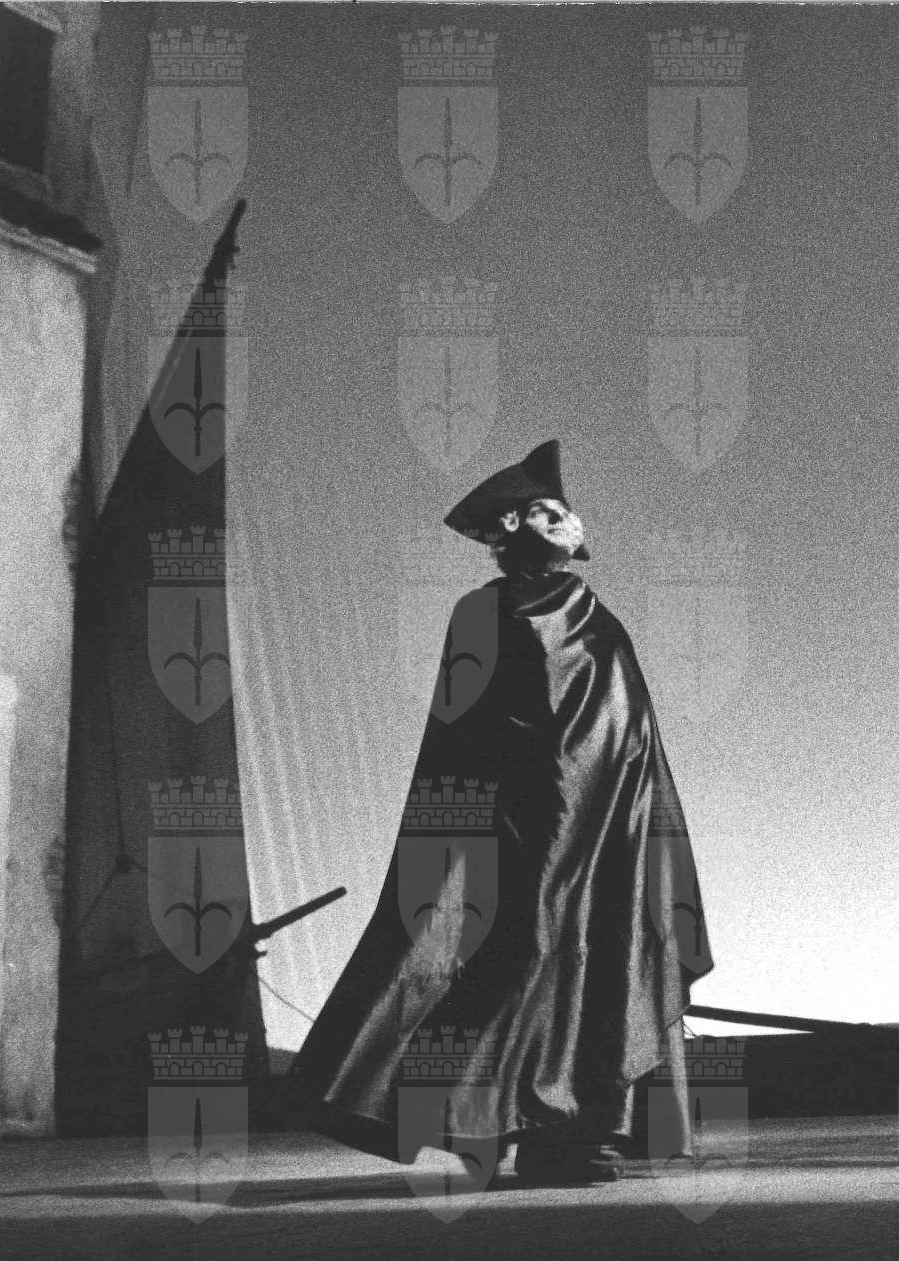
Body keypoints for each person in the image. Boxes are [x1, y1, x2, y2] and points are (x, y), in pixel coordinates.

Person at [288, 440, 713, 1185]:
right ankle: (496, 1118)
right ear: (513, 525)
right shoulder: (482, 613)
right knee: (530, 947)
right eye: (549, 512)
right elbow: (467, 730)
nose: (571, 523)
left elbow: (630, 726)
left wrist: (640, 817)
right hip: (533, 816)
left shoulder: (597, 615)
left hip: (613, 816)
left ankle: (578, 1130)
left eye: (568, 513)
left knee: (605, 949)